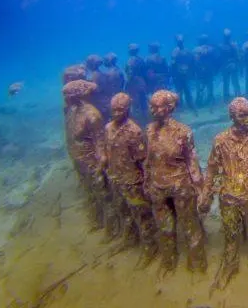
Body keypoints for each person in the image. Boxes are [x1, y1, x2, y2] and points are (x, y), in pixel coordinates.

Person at [199, 97, 248, 294]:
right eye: (242, 115)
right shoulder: (221, 140)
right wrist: (205, 194)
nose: (247, 119)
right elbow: (212, 169)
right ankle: (229, 264)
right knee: (230, 233)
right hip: (229, 197)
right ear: (232, 116)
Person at [145, 90, 207, 274]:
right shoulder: (148, 130)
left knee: (189, 225)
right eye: (151, 106)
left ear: (169, 108)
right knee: (164, 227)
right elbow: (149, 159)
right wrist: (147, 182)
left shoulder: (183, 132)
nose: (153, 110)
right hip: (157, 187)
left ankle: (197, 263)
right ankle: (169, 261)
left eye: (157, 106)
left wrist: (200, 189)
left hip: (181, 187)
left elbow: (192, 162)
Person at [100, 93, 156, 266]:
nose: (116, 113)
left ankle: (150, 246)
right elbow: (105, 149)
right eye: (114, 109)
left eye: (121, 110)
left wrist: (145, 182)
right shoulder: (108, 128)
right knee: (123, 210)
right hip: (116, 178)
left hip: (132, 181)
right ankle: (130, 238)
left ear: (127, 110)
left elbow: (142, 159)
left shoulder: (134, 131)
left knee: (141, 214)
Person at [63, 80, 107, 229]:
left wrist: (100, 165)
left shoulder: (92, 115)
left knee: (101, 193)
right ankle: (95, 214)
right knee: (88, 189)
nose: (65, 98)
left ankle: (107, 222)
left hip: (91, 162)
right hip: (78, 159)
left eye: (67, 95)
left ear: (75, 95)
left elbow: (100, 142)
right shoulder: (71, 111)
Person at [170, 35, 196, 113]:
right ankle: (190, 105)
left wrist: (172, 74)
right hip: (185, 73)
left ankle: (181, 107)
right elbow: (192, 62)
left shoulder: (175, 51)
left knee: (180, 90)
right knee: (186, 90)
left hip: (179, 74)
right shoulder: (188, 51)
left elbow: (173, 64)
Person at [125, 43, 148, 123]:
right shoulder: (141, 60)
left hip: (134, 83)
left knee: (134, 102)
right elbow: (145, 72)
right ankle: (146, 118)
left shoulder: (130, 61)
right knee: (143, 100)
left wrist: (127, 85)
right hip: (142, 82)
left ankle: (137, 121)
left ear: (131, 51)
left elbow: (130, 74)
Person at [193, 34, 216, 107]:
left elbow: (195, 60)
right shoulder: (211, 49)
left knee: (200, 87)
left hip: (200, 71)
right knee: (209, 86)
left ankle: (199, 102)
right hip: (209, 70)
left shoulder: (196, 49)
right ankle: (210, 101)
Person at [218, 28, 241, 102]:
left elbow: (237, 56)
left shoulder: (232, 45)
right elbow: (220, 57)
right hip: (227, 66)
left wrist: (234, 63)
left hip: (231, 65)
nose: (227, 38)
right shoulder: (222, 45)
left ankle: (236, 96)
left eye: (227, 36)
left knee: (233, 82)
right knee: (227, 82)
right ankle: (228, 97)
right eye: (226, 36)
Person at [85, 54, 110, 120]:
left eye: (88, 62)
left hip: (99, 105)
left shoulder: (94, 76)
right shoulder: (101, 74)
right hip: (105, 103)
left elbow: (95, 90)